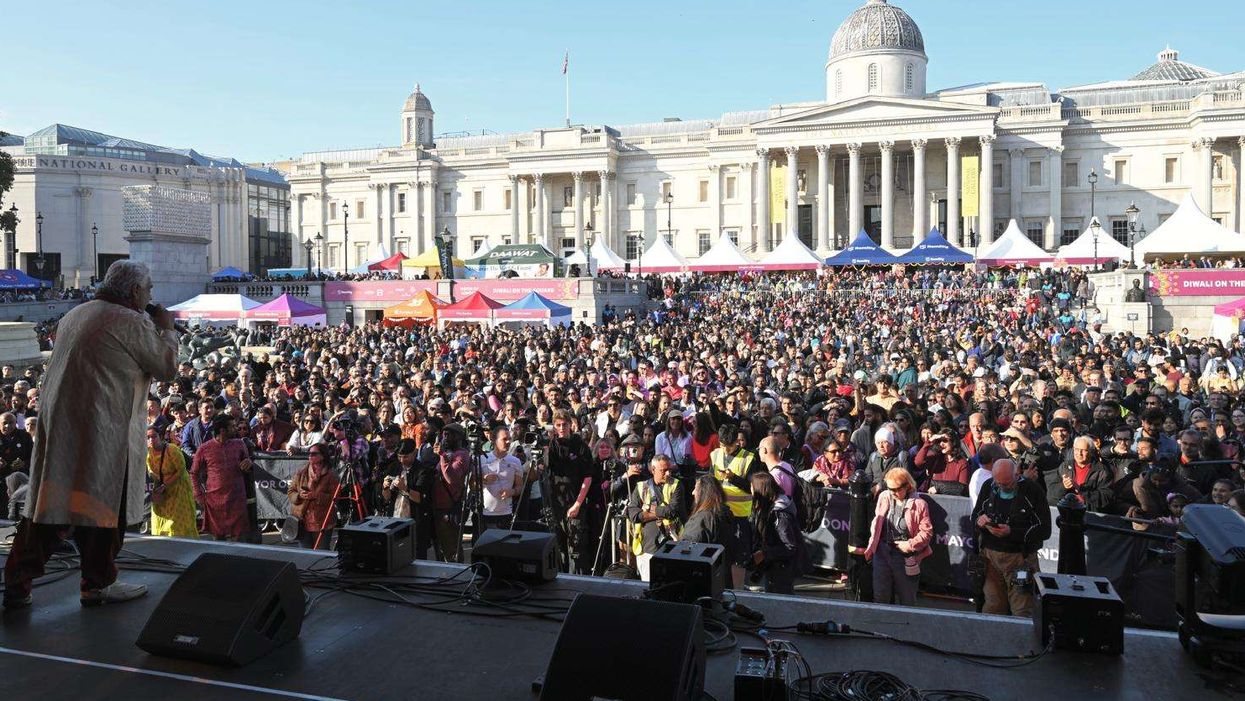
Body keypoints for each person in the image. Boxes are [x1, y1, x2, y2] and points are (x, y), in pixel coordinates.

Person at [4, 260, 178, 609]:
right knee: (104, 506)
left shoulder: (76, 313)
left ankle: (17, 585)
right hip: (103, 429)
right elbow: (167, 367)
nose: (150, 295)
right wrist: (167, 329)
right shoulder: (130, 321)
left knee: (50, 508)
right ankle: (98, 583)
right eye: (148, 289)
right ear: (134, 291)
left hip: (63, 428)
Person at [971, 458, 1052, 617]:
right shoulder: (988, 486)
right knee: (993, 605)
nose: (1001, 486)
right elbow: (975, 516)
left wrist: (1011, 532)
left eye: (1006, 483)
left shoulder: (1033, 491)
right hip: (990, 558)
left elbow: (1044, 529)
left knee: (1022, 607)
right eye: (998, 482)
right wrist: (981, 521)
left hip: (1020, 561)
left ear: (1017, 475)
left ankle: (1021, 633)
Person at [864, 467, 933, 607]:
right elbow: (877, 522)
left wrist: (909, 545)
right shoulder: (884, 496)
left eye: (897, 489)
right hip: (882, 552)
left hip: (905, 556)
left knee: (907, 599)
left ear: (908, 486)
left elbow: (927, 533)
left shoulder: (919, 504)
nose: (893, 493)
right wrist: (872, 545)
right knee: (880, 596)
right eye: (890, 488)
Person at [709, 423, 761, 585]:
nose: (725, 450)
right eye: (722, 445)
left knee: (739, 557)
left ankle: (738, 591)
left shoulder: (749, 458)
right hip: (719, 513)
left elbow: (752, 488)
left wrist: (733, 478)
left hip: (740, 516)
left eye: (729, 446)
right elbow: (710, 481)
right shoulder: (715, 455)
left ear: (736, 442)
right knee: (719, 554)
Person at [191, 415, 255, 542]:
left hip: (237, 499)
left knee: (240, 540)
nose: (236, 429)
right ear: (222, 430)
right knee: (219, 541)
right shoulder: (204, 448)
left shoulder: (240, 444)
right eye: (232, 426)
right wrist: (198, 495)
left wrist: (249, 463)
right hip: (215, 501)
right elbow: (193, 473)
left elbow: (248, 466)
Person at [627, 455, 687, 581]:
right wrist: (661, 512)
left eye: (669, 470)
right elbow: (633, 514)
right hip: (647, 546)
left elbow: (673, 511)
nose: (668, 473)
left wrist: (649, 510)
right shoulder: (641, 487)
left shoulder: (676, 485)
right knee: (648, 585)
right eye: (663, 470)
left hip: (672, 543)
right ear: (653, 470)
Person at [748, 471, 802, 594]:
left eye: (752, 487)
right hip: (773, 565)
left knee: (780, 599)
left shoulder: (780, 514)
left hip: (781, 568)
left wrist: (763, 553)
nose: (751, 490)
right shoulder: (769, 508)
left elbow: (789, 546)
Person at [145, 425, 199, 538]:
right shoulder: (148, 452)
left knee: (177, 522)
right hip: (161, 490)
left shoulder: (171, 449)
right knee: (160, 520)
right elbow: (151, 471)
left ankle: (183, 543)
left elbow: (181, 470)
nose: (151, 440)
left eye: (154, 436)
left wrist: (166, 484)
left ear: (160, 436)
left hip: (178, 488)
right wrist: (157, 487)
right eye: (148, 437)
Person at [286, 443, 341, 549]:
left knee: (321, 553)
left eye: (314, 454)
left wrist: (316, 495)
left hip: (322, 522)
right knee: (305, 554)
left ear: (323, 456)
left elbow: (335, 498)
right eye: (309, 453)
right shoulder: (301, 472)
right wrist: (299, 495)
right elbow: (290, 491)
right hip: (301, 521)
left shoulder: (331, 475)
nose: (310, 456)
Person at [681, 473, 738, 574]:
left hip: (704, 574)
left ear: (703, 493)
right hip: (722, 573)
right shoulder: (726, 513)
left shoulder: (701, 518)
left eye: (696, 489)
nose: (693, 492)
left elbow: (687, 549)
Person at [432, 423, 470, 562]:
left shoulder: (462, 455)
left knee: (452, 549)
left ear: (458, 437)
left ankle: (456, 573)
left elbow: (451, 478)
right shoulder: (444, 453)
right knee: (441, 548)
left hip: (450, 509)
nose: (445, 438)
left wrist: (442, 455)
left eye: (449, 435)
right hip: (437, 507)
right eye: (444, 435)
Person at [478, 425, 523, 532]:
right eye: (504, 439)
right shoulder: (482, 459)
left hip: (506, 514)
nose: (508, 442)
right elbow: (472, 484)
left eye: (509, 439)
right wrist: (483, 479)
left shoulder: (515, 461)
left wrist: (511, 492)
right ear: (494, 440)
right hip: (484, 513)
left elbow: (520, 487)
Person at [0, 410, 33, 516]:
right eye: (4, 423)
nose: (7, 426)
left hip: (20, 475)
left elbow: (33, 456)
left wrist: (24, 463)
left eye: (11, 423)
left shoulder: (25, 436)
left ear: (16, 423)